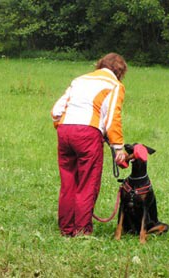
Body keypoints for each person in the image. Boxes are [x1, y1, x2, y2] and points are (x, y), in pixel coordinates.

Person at [50, 53, 127, 237]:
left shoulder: (79, 80)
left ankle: (66, 229)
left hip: (64, 131)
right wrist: (118, 148)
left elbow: (55, 112)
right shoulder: (115, 85)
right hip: (88, 134)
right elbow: (112, 119)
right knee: (87, 182)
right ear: (120, 72)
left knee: (68, 181)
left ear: (99, 64)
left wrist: (65, 126)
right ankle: (82, 230)